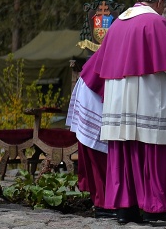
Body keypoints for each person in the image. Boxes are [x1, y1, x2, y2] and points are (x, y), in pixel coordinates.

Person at [92, 0, 166, 224]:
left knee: (125, 154)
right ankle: (155, 208)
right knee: (154, 153)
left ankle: (125, 210)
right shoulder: (156, 22)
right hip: (148, 99)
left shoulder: (118, 23)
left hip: (119, 101)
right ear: (160, 2)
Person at [65, 52, 114, 219]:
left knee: (99, 152)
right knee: (102, 154)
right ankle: (104, 204)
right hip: (95, 92)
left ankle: (103, 202)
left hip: (93, 87)